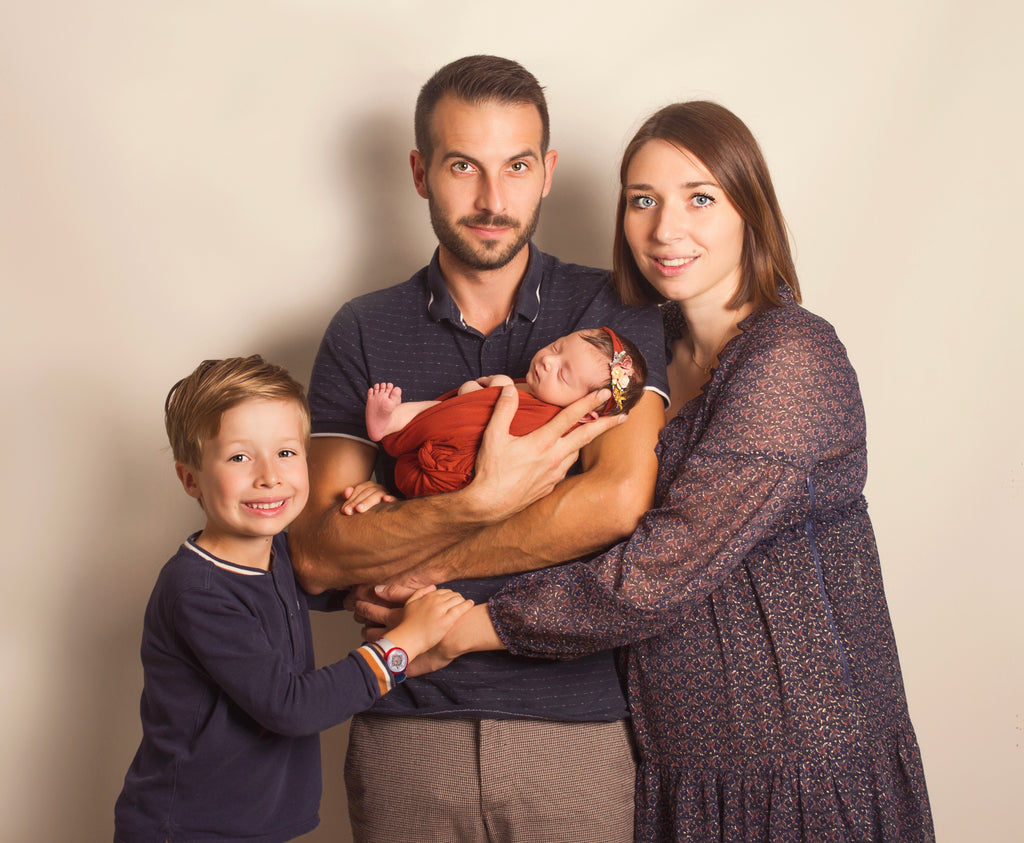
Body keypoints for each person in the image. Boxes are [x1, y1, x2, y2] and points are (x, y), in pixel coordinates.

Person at [410, 101, 935, 841]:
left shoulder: (791, 358)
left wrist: (469, 624)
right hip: (675, 765)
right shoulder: (635, 360)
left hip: (799, 766)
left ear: (750, 209)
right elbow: (556, 495)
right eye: (642, 201)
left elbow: (664, 568)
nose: (665, 229)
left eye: (700, 198)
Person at [287, 55, 669, 842]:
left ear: (548, 172)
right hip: (405, 725)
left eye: (516, 166)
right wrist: (481, 500)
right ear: (420, 173)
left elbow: (616, 500)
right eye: (464, 166)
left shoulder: (613, 313)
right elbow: (318, 556)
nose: (493, 200)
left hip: (575, 727)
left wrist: (423, 561)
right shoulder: (361, 329)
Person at [113, 356, 472, 843]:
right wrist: (403, 646)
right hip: (189, 829)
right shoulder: (197, 591)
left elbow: (341, 572)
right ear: (190, 478)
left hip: (255, 824)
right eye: (239, 458)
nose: (269, 476)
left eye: (286, 452)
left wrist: (374, 504)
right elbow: (293, 706)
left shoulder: (280, 552)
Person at [365, 327, 648, 497]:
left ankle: (392, 425)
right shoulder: (537, 388)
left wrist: (486, 388)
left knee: (441, 407)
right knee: (435, 409)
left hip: (447, 474)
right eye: (557, 347)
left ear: (584, 412)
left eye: (563, 374)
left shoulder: (546, 418)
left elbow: (480, 409)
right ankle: (389, 421)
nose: (548, 361)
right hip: (431, 469)